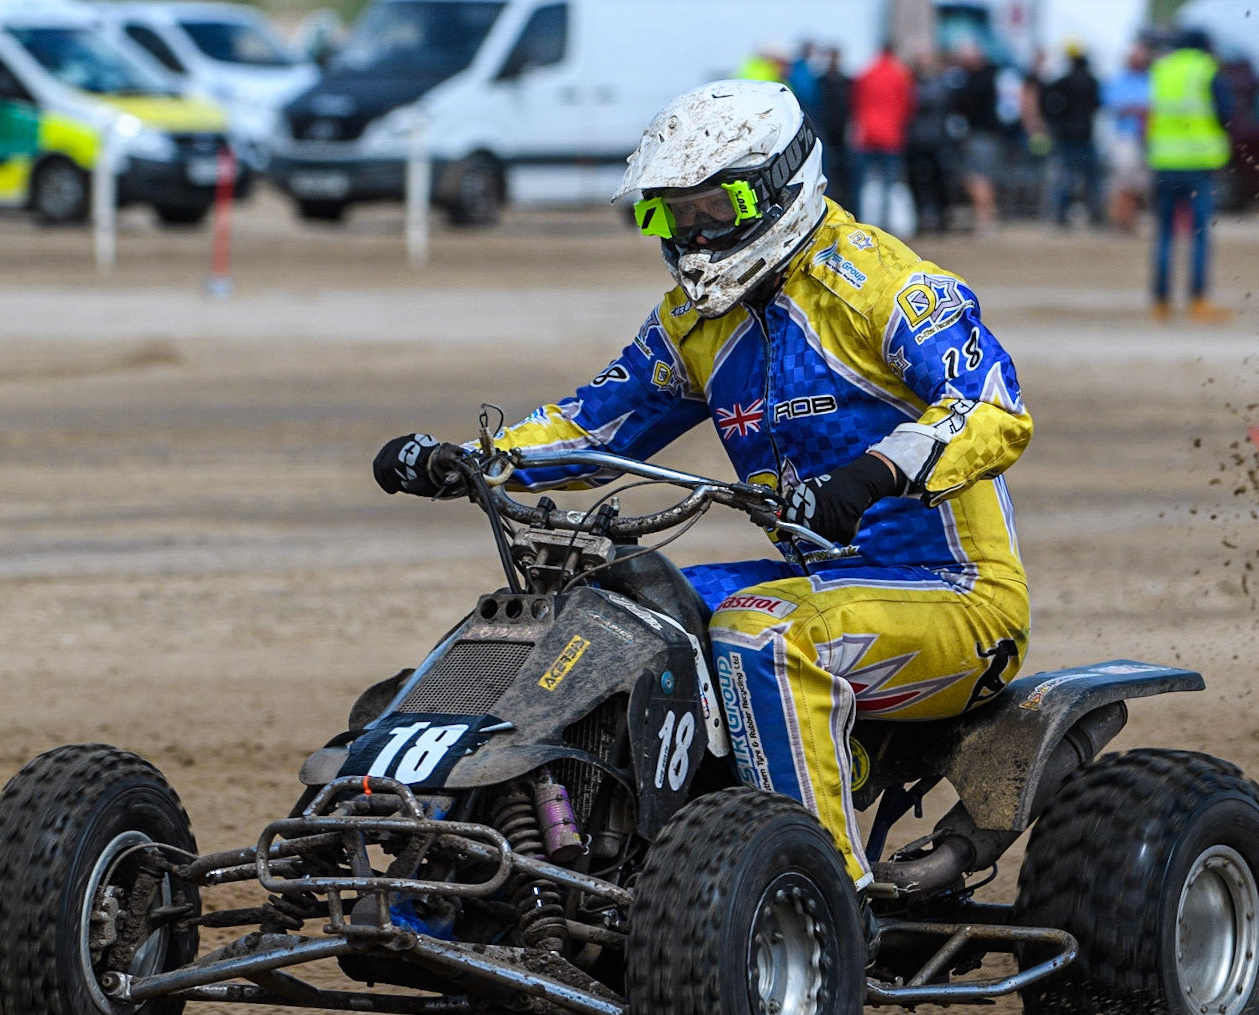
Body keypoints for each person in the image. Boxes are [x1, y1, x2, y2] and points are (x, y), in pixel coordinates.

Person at [371, 81, 1031, 889]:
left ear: (782, 186)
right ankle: (585, 871)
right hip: (820, 584)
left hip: (955, 595)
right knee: (614, 618)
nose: (692, 236)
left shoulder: (884, 287)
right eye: (669, 216)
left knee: (762, 632)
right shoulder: (693, 323)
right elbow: (593, 427)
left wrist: (873, 474)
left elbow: (995, 408)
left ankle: (821, 892)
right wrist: (471, 458)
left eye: (713, 211)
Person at [1147, 28, 1234, 322]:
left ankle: (1160, 302)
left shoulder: (1162, 69)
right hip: (1198, 163)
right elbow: (1226, 111)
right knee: (1198, 235)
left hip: (1164, 162)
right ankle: (1197, 299)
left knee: (1164, 235)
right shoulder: (1205, 69)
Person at [850, 43, 917, 227]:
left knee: (864, 184)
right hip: (891, 137)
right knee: (890, 183)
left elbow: (856, 103)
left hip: (867, 136)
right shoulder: (900, 75)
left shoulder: (867, 73)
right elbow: (907, 106)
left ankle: (864, 222)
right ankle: (889, 224)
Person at [1041, 41, 1103, 227]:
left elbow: (1047, 99)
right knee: (1091, 179)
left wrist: (1055, 118)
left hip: (1067, 135)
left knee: (1065, 178)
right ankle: (1095, 214)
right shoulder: (1091, 81)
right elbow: (1097, 105)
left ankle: (1061, 213)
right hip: (1086, 134)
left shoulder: (1064, 81)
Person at [947, 41, 1004, 232]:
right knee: (978, 177)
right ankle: (986, 218)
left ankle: (985, 219)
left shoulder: (981, 79)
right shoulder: (986, 76)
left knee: (978, 177)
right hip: (982, 134)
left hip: (982, 135)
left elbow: (964, 101)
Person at [1104, 40, 1153, 232]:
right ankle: (1121, 219)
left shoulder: (1150, 79)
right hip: (1126, 136)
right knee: (1123, 180)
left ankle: (1130, 218)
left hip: (1146, 138)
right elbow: (1114, 105)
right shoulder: (1119, 81)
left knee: (1139, 182)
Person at [906, 49, 954, 232]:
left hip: (936, 141)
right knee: (918, 182)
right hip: (916, 141)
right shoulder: (910, 84)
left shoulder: (940, 84)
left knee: (939, 181)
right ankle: (923, 217)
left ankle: (940, 218)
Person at [817, 46, 852, 203]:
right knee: (828, 175)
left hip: (844, 136)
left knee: (845, 177)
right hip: (826, 135)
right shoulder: (821, 82)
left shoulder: (847, 82)